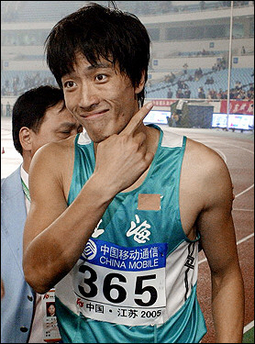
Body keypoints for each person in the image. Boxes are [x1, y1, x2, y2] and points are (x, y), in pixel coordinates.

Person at [22, 3, 245, 343]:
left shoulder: (200, 170)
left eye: (100, 77)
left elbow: (225, 273)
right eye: (70, 83)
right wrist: (103, 183)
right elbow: (38, 274)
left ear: (138, 76)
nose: (84, 100)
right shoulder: (53, 162)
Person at [1, 85, 82, 343]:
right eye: (65, 132)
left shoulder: (97, 200)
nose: (78, 141)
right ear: (27, 138)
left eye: (81, 131)